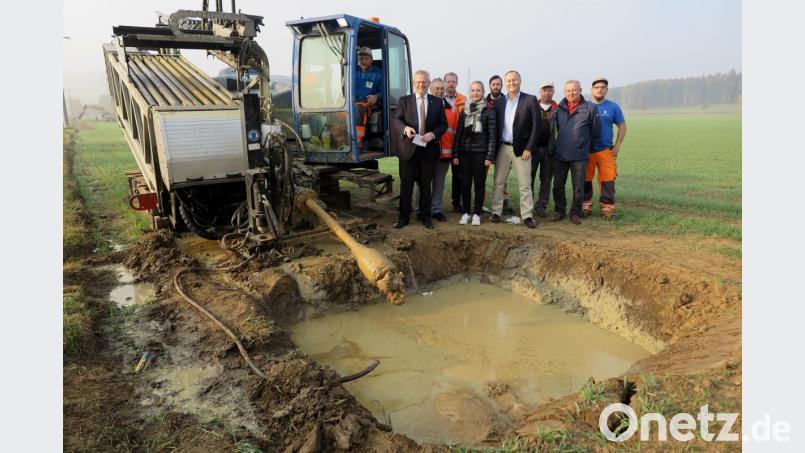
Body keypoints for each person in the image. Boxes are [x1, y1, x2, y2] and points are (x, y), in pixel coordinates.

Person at [391, 70, 448, 229]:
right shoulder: (404, 100)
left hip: (428, 150)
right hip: (408, 150)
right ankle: (403, 218)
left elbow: (443, 124)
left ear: (428, 83)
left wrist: (433, 134)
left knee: (425, 186)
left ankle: (426, 217)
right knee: (406, 186)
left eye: (424, 82)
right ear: (413, 83)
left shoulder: (437, 102)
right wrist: (405, 129)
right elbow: (397, 121)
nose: (421, 84)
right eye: (418, 82)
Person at [490, 70, 540, 229]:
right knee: (498, 182)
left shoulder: (530, 100)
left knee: (524, 184)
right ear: (505, 83)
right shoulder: (499, 102)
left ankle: (527, 215)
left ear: (520, 81)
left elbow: (536, 127)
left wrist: (529, 148)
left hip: (522, 150)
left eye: (514, 80)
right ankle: (496, 212)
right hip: (502, 148)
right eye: (509, 80)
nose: (511, 83)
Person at [548, 80, 600, 224]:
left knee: (578, 187)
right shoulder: (559, 109)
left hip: (579, 156)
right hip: (560, 155)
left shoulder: (590, 108)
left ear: (580, 90)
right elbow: (555, 130)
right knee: (558, 186)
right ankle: (560, 211)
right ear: (564, 92)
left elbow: (595, 132)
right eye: (568, 91)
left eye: (574, 90)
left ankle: (575, 213)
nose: (571, 93)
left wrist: (583, 145)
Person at [453, 81, 497, 225]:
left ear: (483, 92)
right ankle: (466, 212)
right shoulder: (464, 111)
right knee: (465, 183)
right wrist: (455, 155)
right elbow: (458, 134)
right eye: (473, 90)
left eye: (478, 90)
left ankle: (477, 214)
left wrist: (489, 156)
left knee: (479, 184)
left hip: (480, 154)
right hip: (465, 153)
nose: (475, 93)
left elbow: (492, 136)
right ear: (470, 92)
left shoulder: (489, 111)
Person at [584, 77, 627, 219]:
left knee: (608, 180)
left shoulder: (613, 107)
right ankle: (585, 207)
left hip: (606, 150)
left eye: (603, 87)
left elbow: (622, 126)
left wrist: (618, 146)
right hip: (587, 151)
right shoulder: (584, 106)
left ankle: (607, 210)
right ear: (591, 90)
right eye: (596, 87)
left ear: (606, 90)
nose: (599, 90)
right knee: (585, 179)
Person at [429, 77, 462, 221]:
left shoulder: (451, 109)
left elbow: (454, 132)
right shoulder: (425, 105)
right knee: (423, 182)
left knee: (439, 183)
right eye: (436, 88)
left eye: (441, 88)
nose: (439, 91)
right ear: (431, 89)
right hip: (427, 152)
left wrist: (453, 153)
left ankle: (436, 210)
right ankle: (421, 208)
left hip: (444, 153)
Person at [532, 81, 558, 217]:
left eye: (549, 90)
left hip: (549, 150)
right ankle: (527, 204)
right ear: (540, 91)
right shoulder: (532, 106)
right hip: (532, 148)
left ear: (553, 91)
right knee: (528, 178)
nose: (547, 92)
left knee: (546, 179)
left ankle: (541, 205)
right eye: (544, 90)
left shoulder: (558, 108)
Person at [443, 72, 467, 213]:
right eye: (448, 81)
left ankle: (457, 203)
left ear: (457, 83)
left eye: (453, 81)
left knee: (458, 175)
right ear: (444, 83)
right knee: (438, 175)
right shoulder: (437, 98)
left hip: (460, 144)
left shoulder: (464, 100)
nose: (451, 84)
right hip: (444, 143)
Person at [354, 47, 383, 149]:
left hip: (368, 105)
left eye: (366, 58)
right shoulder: (353, 71)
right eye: (361, 59)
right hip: (352, 102)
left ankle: (358, 140)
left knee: (357, 110)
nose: (363, 61)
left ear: (371, 59)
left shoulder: (378, 73)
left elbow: (385, 92)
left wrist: (376, 96)